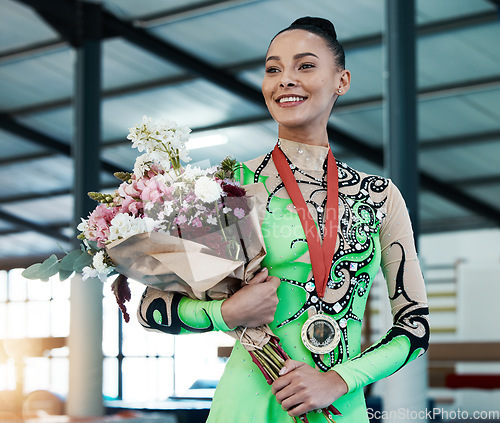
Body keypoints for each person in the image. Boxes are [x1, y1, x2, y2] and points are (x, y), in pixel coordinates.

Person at [138, 16, 430, 422]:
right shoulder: (225, 188)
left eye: (305, 66)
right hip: (247, 406)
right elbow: (153, 307)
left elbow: (415, 326)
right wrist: (226, 313)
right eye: (273, 69)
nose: (285, 80)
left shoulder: (380, 196)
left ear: (341, 81)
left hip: (339, 407)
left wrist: (340, 380)